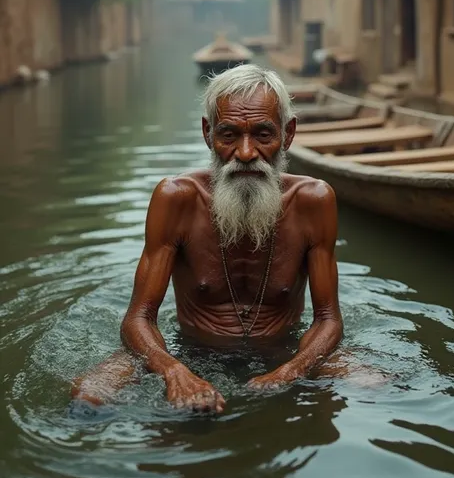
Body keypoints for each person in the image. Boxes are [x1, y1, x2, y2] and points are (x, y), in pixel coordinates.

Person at [72, 64, 343, 413]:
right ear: (207, 133)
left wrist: (293, 370)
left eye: (263, 134)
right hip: (192, 351)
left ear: (288, 134)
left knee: (375, 384)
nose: (245, 153)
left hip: (286, 348)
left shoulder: (314, 201)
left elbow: (328, 319)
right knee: (90, 396)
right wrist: (174, 371)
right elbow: (138, 318)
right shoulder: (177, 198)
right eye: (228, 135)